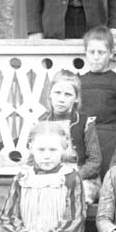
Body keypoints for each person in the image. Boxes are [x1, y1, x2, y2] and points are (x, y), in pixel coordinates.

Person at [39, 70, 102, 203]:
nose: (61, 99)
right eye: (57, 93)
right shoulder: (42, 123)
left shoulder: (85, 123)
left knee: (75, 197)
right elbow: (34, 157)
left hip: (80, 176)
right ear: (50, 94)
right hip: (51, 174)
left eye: (68, 94)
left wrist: (75, 176)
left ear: (76, 98)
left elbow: (95, 161)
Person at [79, 26, 116, 177]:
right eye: (91, 52)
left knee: (109, 176)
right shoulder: (79, 81)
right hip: (85, 137)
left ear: (111, 53)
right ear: (85, 53)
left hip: (110, 138)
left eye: (101, 52)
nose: (96, 57)